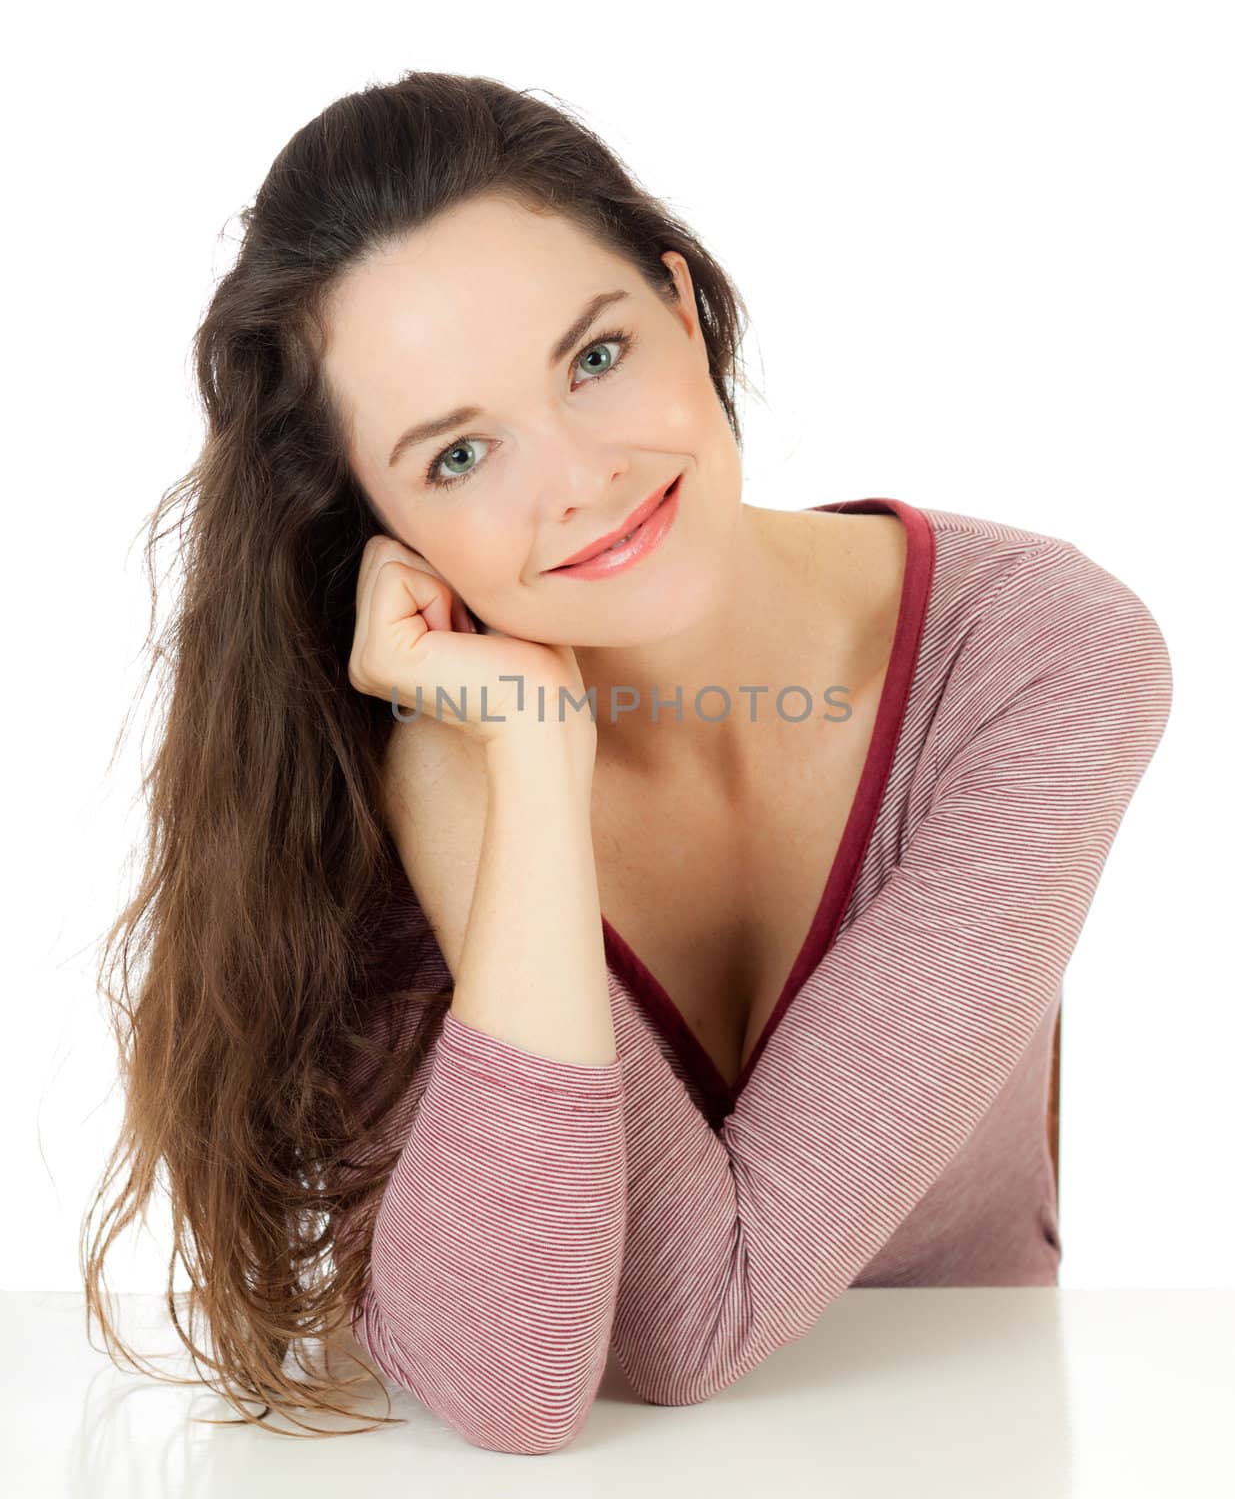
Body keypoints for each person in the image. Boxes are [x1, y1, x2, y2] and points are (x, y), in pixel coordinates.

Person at [81, 70, 1173, 1455]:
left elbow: (685, 1315)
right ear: (378, 530)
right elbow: (514, 1380)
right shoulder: (379, 785)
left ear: (679, 300)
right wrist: (504, 787)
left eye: (596, 358)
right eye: (463, 453)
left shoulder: (1037, 658)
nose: (581, 477)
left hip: (966, 1456)